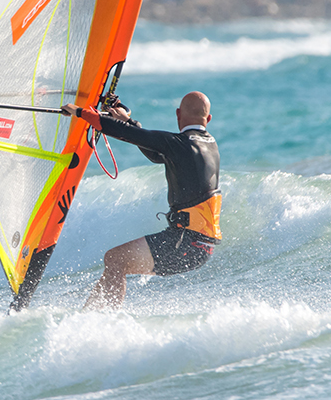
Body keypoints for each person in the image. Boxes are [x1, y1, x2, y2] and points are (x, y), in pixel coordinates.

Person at [60, 91, 221, 309]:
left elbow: (139, 138)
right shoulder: (209, 144)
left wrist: (81, 113)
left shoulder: (179, 145)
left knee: (115, 260)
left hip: (186, 242)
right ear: (208, 119)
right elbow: (156, 153)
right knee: (115, 263)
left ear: (178, 114)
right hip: (198, 246)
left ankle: (106, 323)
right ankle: (87, 317)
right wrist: (127, 121)